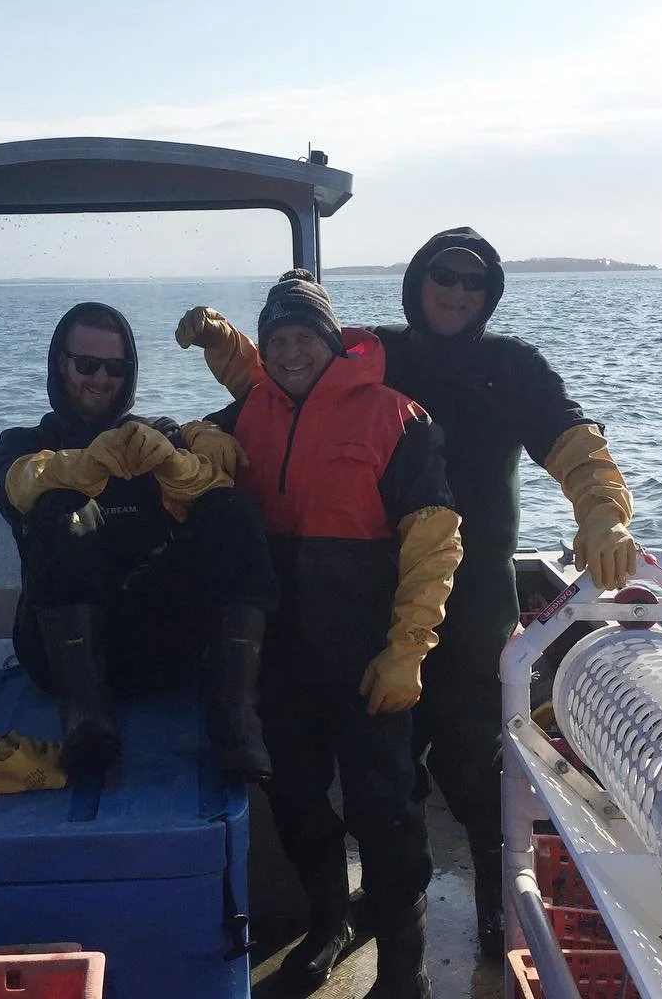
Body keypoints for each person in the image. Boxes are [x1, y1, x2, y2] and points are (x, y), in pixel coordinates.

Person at [175, 235, 636, 959]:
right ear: (417, 282)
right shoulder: (381, 351)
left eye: (473, 282)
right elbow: (289, 381)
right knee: (390, 770)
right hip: (370, 597)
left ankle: (496, 894)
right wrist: (225, 344)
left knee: (468, 757)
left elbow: (574, 441)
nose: (456, 291)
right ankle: (389, 903)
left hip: (472, 593)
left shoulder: (511, 366)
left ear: (491, 294)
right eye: (441, 276)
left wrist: (604, 512)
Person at [182, 276, 462, 998]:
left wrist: (407, 650)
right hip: (280, 656)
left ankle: (403, 966)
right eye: (276, 340)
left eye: (304, 337)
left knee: (385, 810)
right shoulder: (253, 408)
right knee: (296, 798)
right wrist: (200, 436)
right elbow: (185, 440)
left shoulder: (396, 417)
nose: (290, 352)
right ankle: (330, 920)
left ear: (333, 344)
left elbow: (434, 543)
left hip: (369, 657)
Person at [0, 301, 279, 782]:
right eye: (88, 364)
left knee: (232, 509)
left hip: (157, 645)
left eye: (116, 367)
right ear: (60, 363)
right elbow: (19, 486)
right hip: (58, 658)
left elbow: (212, 495)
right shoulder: (22, 443)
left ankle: (236, 719)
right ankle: (85, 715)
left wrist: (176, 460)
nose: (101, 378)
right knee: (60, 504)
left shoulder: (156, 435)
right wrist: (86, 465)